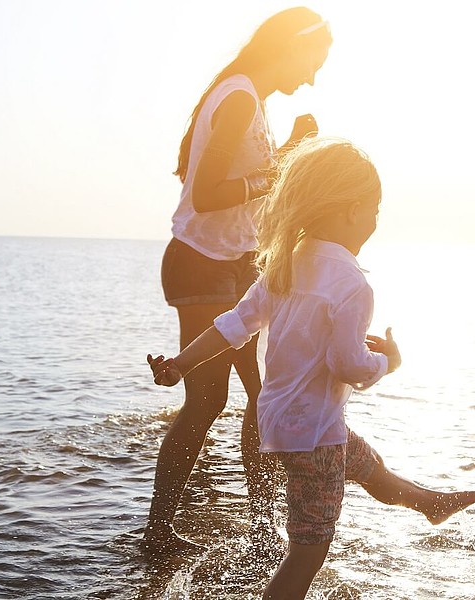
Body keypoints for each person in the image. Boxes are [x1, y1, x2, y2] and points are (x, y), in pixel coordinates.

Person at [149, 137, 475, 599]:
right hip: (315, 437)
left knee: (368, 468)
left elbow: (233, 327)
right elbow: (348, 365)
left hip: (281, 424)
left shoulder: (284, 265)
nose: (374, 221)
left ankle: (429, 503)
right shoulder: (351, 284)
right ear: (350, 211)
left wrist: (180, 364)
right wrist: (388, 361)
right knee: (307, 553)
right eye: (374, 210)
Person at [144, 6, 334, 555]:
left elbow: (237, 182)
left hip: (234, 260)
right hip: (201, 260)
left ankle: (263, 522)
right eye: (314, 61)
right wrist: (278, 167)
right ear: (289, 47)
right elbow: (206, 194)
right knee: (208, 401)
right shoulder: (240, 96)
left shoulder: (248, 97)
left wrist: (286, 152)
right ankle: (159, 533)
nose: (313, 77)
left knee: (262, 393)